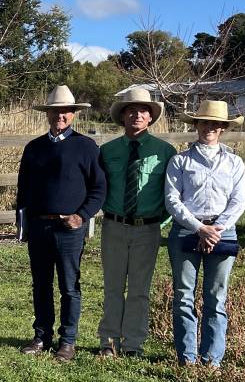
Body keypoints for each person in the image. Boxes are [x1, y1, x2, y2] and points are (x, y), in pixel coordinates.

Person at [16, 85, 106, 362]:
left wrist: (82, 215)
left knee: (69, 285)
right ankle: (42, 335)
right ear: (48, 114)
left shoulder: (86, 147)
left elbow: (99, 188)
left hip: (69, 228)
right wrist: (23, 224)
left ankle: (67, 340)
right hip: (40, 225)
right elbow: (23, 190)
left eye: (65, 111)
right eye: (55, 111)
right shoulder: (34, 148)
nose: (60, 116)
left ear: (73, 114)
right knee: (41, 284)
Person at [164, 100, 245, 367]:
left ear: (223, 128)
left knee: (216, 295)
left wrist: (216, 229)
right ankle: (187, 358)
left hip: (223, 232)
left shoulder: (234, 163)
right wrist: (200, 228)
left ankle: (212, 359)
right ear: (196, 125)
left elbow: (238, 201)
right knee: (184, 294)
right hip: (187, 230)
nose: (209, 127)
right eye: (204, 122)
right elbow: (173, 200)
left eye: (215, 123)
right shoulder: (180, 161)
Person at [96, 87, 177, 358]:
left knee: (140, 290)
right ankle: (108, 342)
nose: (137, 114)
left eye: (143, 110)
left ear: (151, 117)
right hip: (114, 226)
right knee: (113, 287)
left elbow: (172, 193)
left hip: (148, 228)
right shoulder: (107, 151)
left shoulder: (165, 152)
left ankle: (133, 344)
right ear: (122, 116)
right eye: (131, 110)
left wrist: (157, 223)